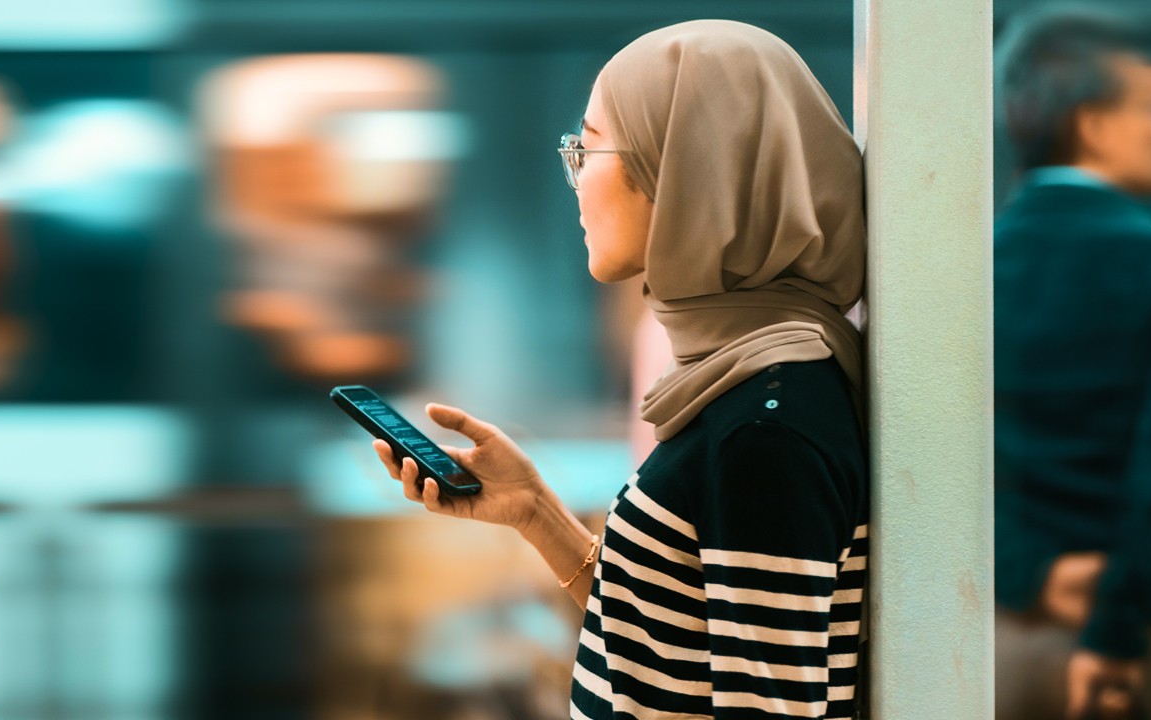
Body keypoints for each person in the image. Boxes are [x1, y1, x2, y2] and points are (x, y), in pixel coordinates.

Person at [369, 20, 871, 719]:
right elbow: (665, 645)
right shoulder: (746, 383)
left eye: (589, 148)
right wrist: (537, 512)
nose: (575, 178)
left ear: (682, 173)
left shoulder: (763, 428)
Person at [992, 5, 1151, 720]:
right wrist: (1115, 631)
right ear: (1094, 123)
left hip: (1013, 625)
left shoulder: (971, 267)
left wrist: (1031, 577)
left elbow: (939, 452)